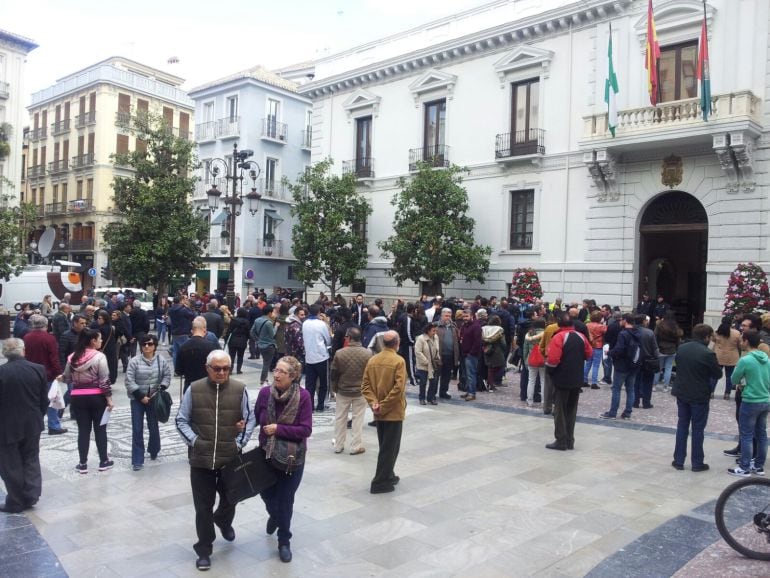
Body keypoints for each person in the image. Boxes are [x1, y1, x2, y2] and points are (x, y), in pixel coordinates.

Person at [175, 350, 255, 571]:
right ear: (207, 368)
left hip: (229, 457)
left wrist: (238, 443)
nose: (221, 372)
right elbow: (181, 420)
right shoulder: (195, 388)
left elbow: (249, 419)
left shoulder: (240, 389)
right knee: (203, 507)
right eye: (217, 368)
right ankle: (204, 548)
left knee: (231, 498)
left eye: (225, 368)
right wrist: (195, 442)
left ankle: (224, 520)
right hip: (202, 460)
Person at [256, 356, 313, 563]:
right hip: (266, 454)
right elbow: (256, 418)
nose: (276, 374)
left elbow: (305, 429)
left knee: (285, 499)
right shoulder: (264, 394)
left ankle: (284, 541)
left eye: (281, 372)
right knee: (266, 493)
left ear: (293, 376)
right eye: (275, 370)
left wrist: (279, 429)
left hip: (292, 457)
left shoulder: (303, 397)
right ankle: (275, 515)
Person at [0, 339, 50, 512]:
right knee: (31, 459)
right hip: (32, 422)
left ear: (5, 353)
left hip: (7, 425)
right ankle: (31, 494)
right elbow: (44, 399)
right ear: (23, 351)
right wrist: (38, 416)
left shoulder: (2, 372)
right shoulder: (38, 369)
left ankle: (15, 500)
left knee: (10, 463)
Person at [671, 323, 722, 472]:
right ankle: (697, 462)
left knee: (682, 426)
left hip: (682, 391)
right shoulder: (707, 353)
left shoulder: (682, 348)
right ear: (706, 337)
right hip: (699, 394)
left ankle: (678, 460)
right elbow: (717, 374)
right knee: (698, 429)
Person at [63, 328, 114, 474]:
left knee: (83, 431)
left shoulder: (72, 357)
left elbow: (67, 377)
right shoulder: (99, 357)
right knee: (100, 429)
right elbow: (104, 381)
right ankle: (104, 461)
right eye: (99, 339)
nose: (101, 341)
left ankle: (83, 463)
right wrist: (109, 399)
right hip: (97, 397)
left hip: (78, 397)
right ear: (93, 341)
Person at [361, 331, 407, 494]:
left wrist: (375, 403)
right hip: (393, 411)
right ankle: (380, 481)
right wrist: (384, 405)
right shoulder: (398, 361)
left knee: (386, 445)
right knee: (390, 448)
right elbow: (398, 389)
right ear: (397, 342)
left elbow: (365, 386)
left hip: (378, 411)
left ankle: (388, 474)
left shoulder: (373, 360)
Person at [544, 314, 592, 450]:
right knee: (571, 410)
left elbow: (553, 360)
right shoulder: (581, 336)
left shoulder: (559, 337)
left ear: (559, 324)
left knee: (559, 410)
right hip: (577, 378)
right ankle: (570, 440)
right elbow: (589, 354)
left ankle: (561, 440)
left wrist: (551, 372)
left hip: (562, 378)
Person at [125, 334, 172, 471]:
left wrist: (160, 388)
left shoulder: (161, 360)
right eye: (144, 344)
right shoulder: (134, 361)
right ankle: (137, 459)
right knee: (137, 428)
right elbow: (129, 380)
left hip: (154, 398)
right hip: (137, 399)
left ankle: (154, 449)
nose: (146, 346)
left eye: (150, 344)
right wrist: (140, 396)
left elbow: (166, 376)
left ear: (154, 346)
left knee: (153, 426)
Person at [728, 329, 770, 477]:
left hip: (750, 400)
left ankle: (744, 467)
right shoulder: (766, 359)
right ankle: (758, 466)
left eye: (742, 339)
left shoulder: (745, 360)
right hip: (765, 399)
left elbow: (733, 379)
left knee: (746, 434)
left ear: (746, 341)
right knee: (762, 434)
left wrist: (742, 383)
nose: (740, 342)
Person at [23, 314, 66, 435]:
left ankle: (34, 425)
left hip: (30, 373)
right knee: (52, 400)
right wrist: (59, 372)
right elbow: (54, 358)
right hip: (48, 374)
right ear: (46, 325)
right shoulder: (49, 338)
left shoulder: (26, 337)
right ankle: (53, 425)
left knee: (33, 401)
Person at [330, 327, 372, 453]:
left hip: (343, 390)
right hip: (360, 391)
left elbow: (333, 372)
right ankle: (355, 446)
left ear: (349, 338)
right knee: (358, 419)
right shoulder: (368, 353)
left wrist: (334, 387)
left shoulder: (340, 353)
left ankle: (338, 445)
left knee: (340, 418)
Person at [601, 314, 642, 420]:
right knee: (630, 389)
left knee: (616, 389)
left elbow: (619, 349)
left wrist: (609, 352)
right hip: (634, 364)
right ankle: (628, 413)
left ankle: (612, 412)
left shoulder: (623, 334)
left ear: (625, 321)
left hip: (622, 365)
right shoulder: (638, 333)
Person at [176, 317, 220, 393]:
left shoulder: (183, 347)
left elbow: (178, 371)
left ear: (192, 331)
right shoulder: (211, 347)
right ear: (205, 330)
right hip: (207, 386)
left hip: (189, 385)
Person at [302, 304, 331, 411]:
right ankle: (320, 405)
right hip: (321, 356)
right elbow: (327, 339)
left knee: (310, 384)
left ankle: (309, 406)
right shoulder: (321, 324)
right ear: (319, 312)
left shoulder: (305, 323)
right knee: (323, 383)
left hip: (309, 357)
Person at [712, 316, 741, 400]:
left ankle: (711, 392)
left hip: (718, 355)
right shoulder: (736, 333)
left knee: (715, 375)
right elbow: (739, 344)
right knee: (729, 376)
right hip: (731, 356)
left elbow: (713, 340)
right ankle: (727, 394)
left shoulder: (717, 332)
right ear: (731, 323)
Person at [435, 308, 460, 401]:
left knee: (446, 376)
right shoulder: (436, 326)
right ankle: (433, 393)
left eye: (449, 316)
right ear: (442, 315)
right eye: (446, 315)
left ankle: (443, 392)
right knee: (436, 375)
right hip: (439, 355)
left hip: (450, 355)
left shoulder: (453, 326)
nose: (448, 317)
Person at [415, 322, 441, 405]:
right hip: (423, 365)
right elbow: (418, 352)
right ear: (428, 331)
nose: (435, 333)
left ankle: (431, 398)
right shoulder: (421, 338)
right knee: (423, 382)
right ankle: (422, 398)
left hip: (433, 364)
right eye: (433, 331)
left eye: (435, 331)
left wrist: (437, 358)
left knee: (434, 381)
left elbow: (437, 348)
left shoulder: (436, 337)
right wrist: (426, 361)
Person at [460, 309, 482, 402]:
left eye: (466, 316)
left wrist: (471, 353)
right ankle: (469, 391)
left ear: (471, 316)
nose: (465, 318)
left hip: (471, 355)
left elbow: (477, 342)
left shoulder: (476, 326)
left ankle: (472, 393)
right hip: (465, 353)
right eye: (464, 316)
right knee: (466, 374)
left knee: (471, 375)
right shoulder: (465, 325)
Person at [251, 308, 277, 386]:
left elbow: (252, 331)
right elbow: (273, 334)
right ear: (269, 312)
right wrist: (276, 327)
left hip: (261, 345)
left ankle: (265, 378)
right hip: (268, 345)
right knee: (266, 363)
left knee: (265, 362)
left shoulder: (257, 320)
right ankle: (263, 380)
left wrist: (257, 340)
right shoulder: (268, 322)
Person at [584, 311, 607, 389]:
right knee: (596, 365)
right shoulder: (602, 326)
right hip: (598, 346)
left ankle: (584, 380)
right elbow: (606, 333)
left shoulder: (587, 325)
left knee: (587, 364)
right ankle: (594, 382)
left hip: (589, 346)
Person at [224, 308, 251, 374]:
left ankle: (230, 370)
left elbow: (229, 331)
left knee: (231, 356)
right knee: (240, 356)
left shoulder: (233, 320)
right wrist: (247, 338)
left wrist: (226, 339)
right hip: (242, 341)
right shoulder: (247, 322)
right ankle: (238, 370)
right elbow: (248, 332)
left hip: (233, 340)